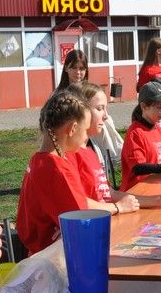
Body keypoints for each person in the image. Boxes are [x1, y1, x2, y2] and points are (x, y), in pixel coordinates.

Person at [16, 89, 136, 255]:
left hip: (42, 252)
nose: (86, 137)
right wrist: (118, 207)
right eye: (85, 130)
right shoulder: (57, 167)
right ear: (72, 129)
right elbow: (83, 219)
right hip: (56, 258)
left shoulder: (39, 159)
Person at [68, 82, 161, 208]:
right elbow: (77, 202)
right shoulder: (69, 156)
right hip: (135, 192)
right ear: (80, 112)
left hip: (145, 193)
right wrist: (118, 208)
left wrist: (159, 200)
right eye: (100, 109)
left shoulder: (90, 152)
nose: (106, 116)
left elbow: (108, 193)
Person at [56, 49, 124, 170]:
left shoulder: (89, 90)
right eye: (74, 67)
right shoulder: (59, 94)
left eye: (82, 68)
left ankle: (111, 158)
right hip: (69, 139)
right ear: (66, 68)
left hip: (89, 137)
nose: (78, 72)